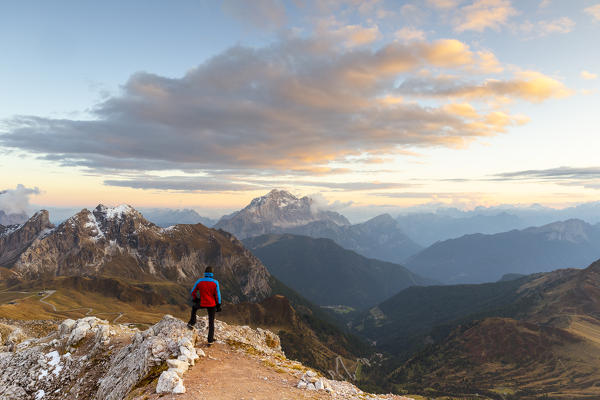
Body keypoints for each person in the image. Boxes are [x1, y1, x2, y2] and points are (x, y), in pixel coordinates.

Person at [188, 266, 222, 344]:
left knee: (194, 308)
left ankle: (192, 322)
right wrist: (219, 304)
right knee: (211, 322)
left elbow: (192, 292)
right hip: (212, 304)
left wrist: (195, 298)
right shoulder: (215, 282)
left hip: (202, 302)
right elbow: (218, 295)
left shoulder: (200, 281)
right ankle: (210, 340)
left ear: (205, 273)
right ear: (212, 274)